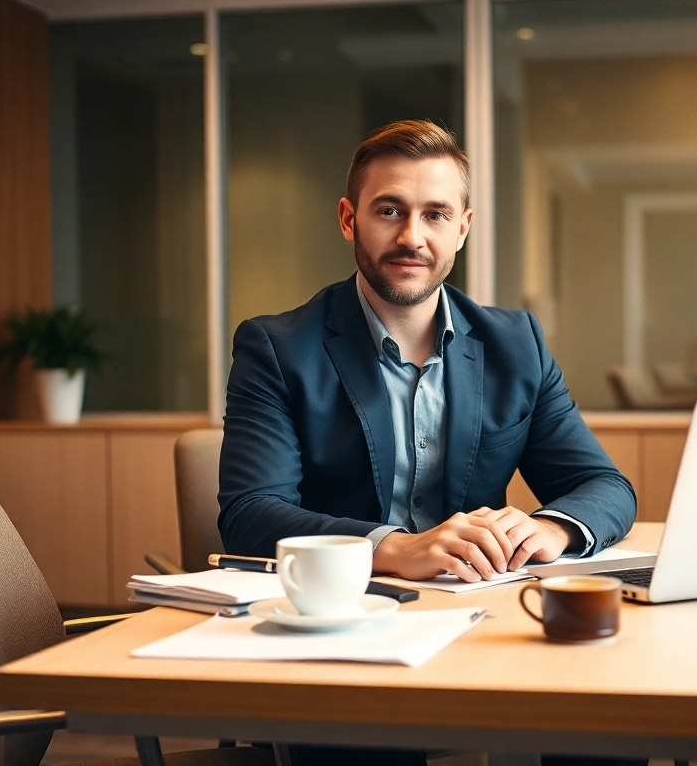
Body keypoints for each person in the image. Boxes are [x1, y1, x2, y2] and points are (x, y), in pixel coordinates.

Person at [218, 119, 639, 766]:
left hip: (486, 619)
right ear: (349, 219)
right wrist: (394, 548)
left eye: (435, 214)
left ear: (462, 228)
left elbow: (604, 487)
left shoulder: (516, 344)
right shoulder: (277, 348)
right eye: (389, 210)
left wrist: (550, 528)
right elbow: (250, 513)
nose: (412, 237)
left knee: (606, 723)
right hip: (345, 630)